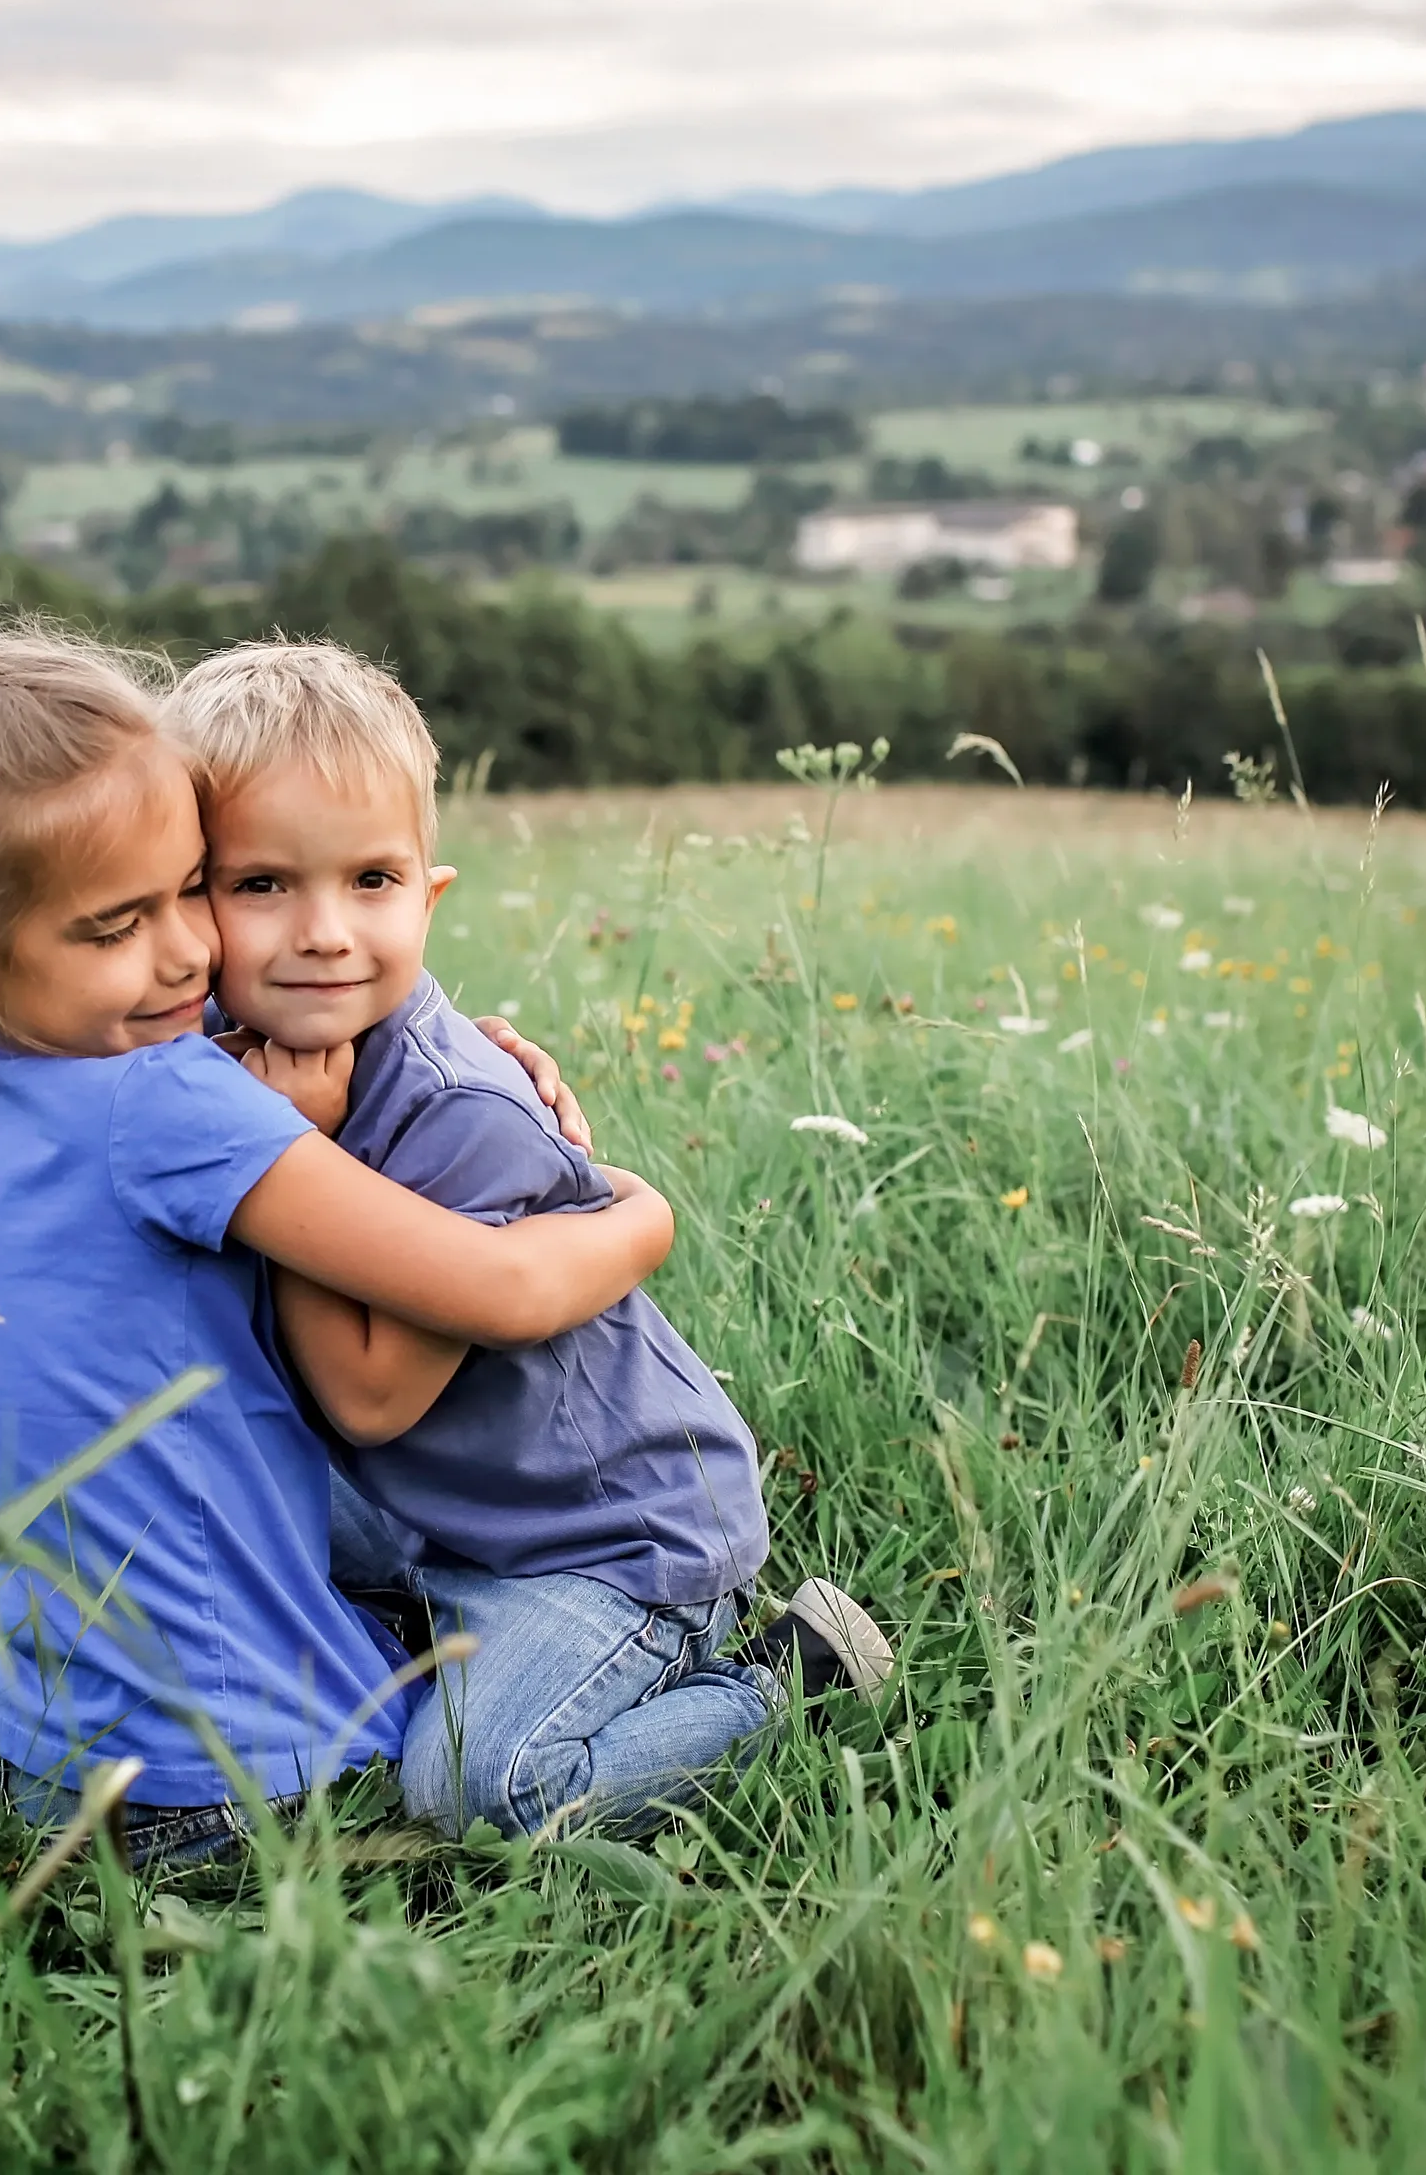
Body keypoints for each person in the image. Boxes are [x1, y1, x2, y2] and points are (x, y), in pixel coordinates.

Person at [0, 620, 683, 1873]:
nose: (189, 954)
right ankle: (779, 1673)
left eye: (190, 889)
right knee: (473, 1780)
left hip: (29, 1752)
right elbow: (497, 1289)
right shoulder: (170, 1098)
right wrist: (639, 1211)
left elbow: (253, 997)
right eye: (121, 923)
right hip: (221, 1788)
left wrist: (463, 1053)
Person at [163, 639, 893, 1843]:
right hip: (437, 1508)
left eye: (372, 879)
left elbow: (370, 1399)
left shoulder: (460, 1112)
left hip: (598, 1536)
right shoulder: (215, 1037)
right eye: (261, 884)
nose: (325, 931)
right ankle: (401, 1627)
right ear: (189, 903)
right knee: (194, 1497)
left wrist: (295, 1155)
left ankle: (786, 1682)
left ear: (429, 895)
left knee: (478, 1786)